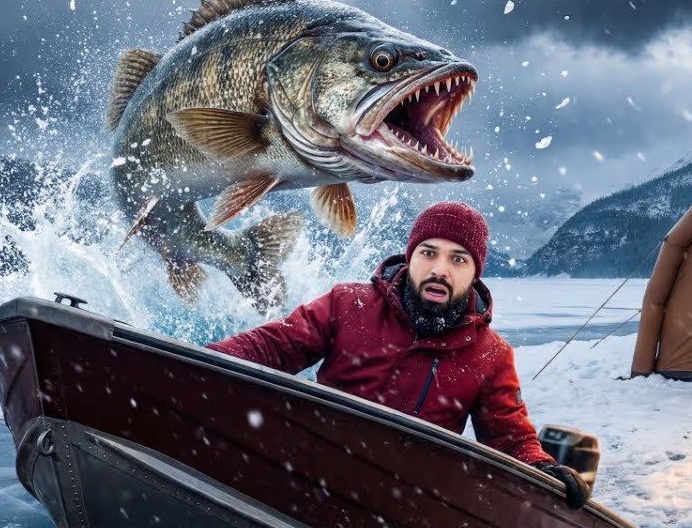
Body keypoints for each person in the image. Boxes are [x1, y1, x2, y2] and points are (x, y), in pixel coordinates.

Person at [207, 201, 591, 509]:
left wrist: (543, 469)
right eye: (429, 253)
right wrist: (200, 360)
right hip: (311, 476)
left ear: (475, 273)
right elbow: (273, 346)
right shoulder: (347, 304)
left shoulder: (491, 354)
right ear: (410, 257)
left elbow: (508, 439)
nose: (440, 269)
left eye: (458, 259)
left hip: (403, 507)